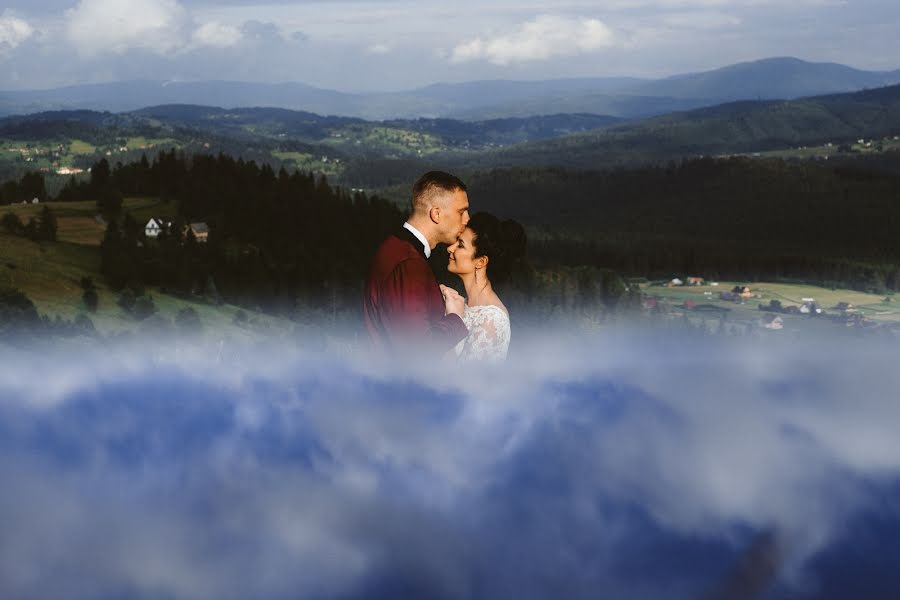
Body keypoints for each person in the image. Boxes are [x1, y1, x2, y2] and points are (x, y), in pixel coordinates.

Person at [363, 171, 471, 354]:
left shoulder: (396, 247)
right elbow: (417, 353)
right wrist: (455, 318)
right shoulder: (409, 265)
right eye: (461, 212)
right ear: (436, 214)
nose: (467, 219)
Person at [443, 212, 526, 362]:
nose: (450, 248)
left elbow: (459, 381)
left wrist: (452, 319)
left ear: (481, 262)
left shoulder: (492, 319)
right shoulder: (462, 302)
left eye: (460, 245)